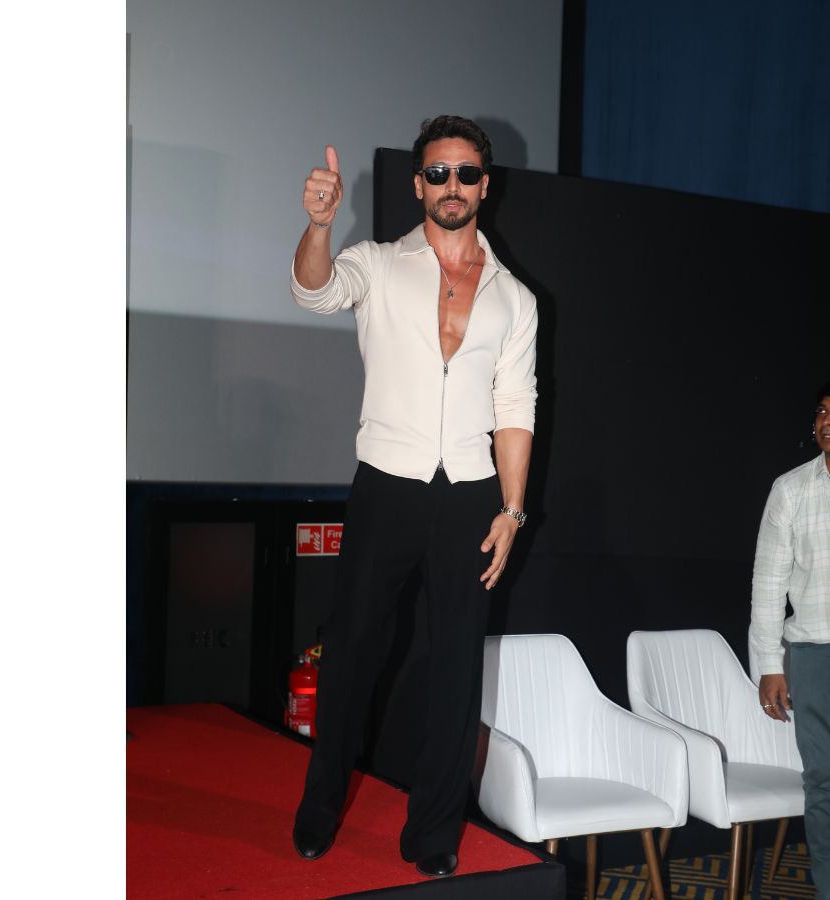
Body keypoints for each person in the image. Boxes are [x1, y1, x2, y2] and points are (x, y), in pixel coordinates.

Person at [288, 115, 537, 879]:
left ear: (485, 186)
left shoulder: (514, 297)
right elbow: (314, 290)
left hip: (470, 496)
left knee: (457, 669)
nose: (451, 186)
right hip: (387, 485)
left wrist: (512, 509)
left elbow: (515, 407)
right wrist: (319, 226)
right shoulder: (377, 263)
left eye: (466, 173)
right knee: (352, 653)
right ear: (418, 184)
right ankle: (320, 805)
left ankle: (432, 829)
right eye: (437, 173)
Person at [749, 381, 830, 899]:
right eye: (822, 412)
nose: (828, 421)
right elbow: (768, 583)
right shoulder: (791, 490)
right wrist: (769, 664)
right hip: (814, 655)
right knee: (826, 784)